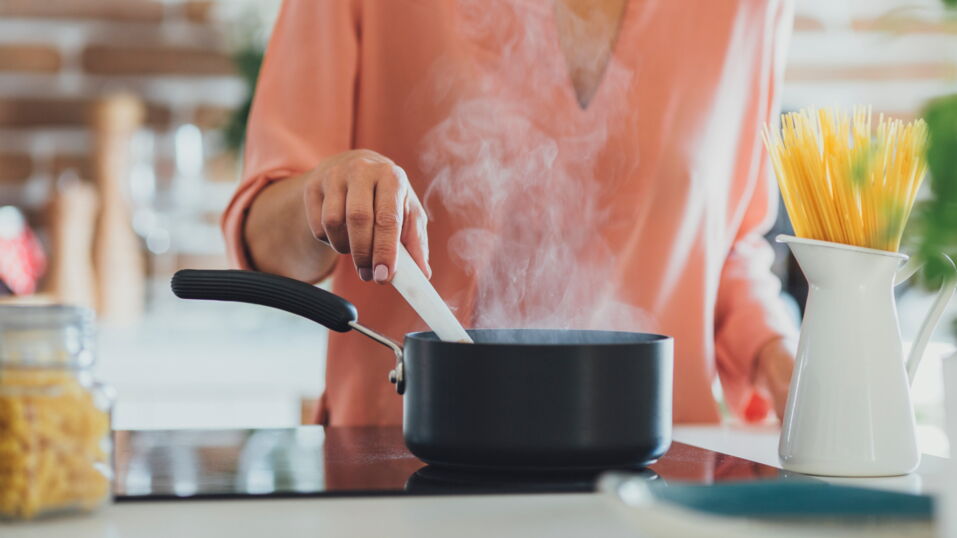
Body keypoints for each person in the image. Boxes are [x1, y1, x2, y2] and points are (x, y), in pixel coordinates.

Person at [223, 0, 798, 426]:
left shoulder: (749, 10)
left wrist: (781, 358)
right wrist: (326, 193)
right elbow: (263, 241)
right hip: (403, 464)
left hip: (659, 472)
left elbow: (725, 250)